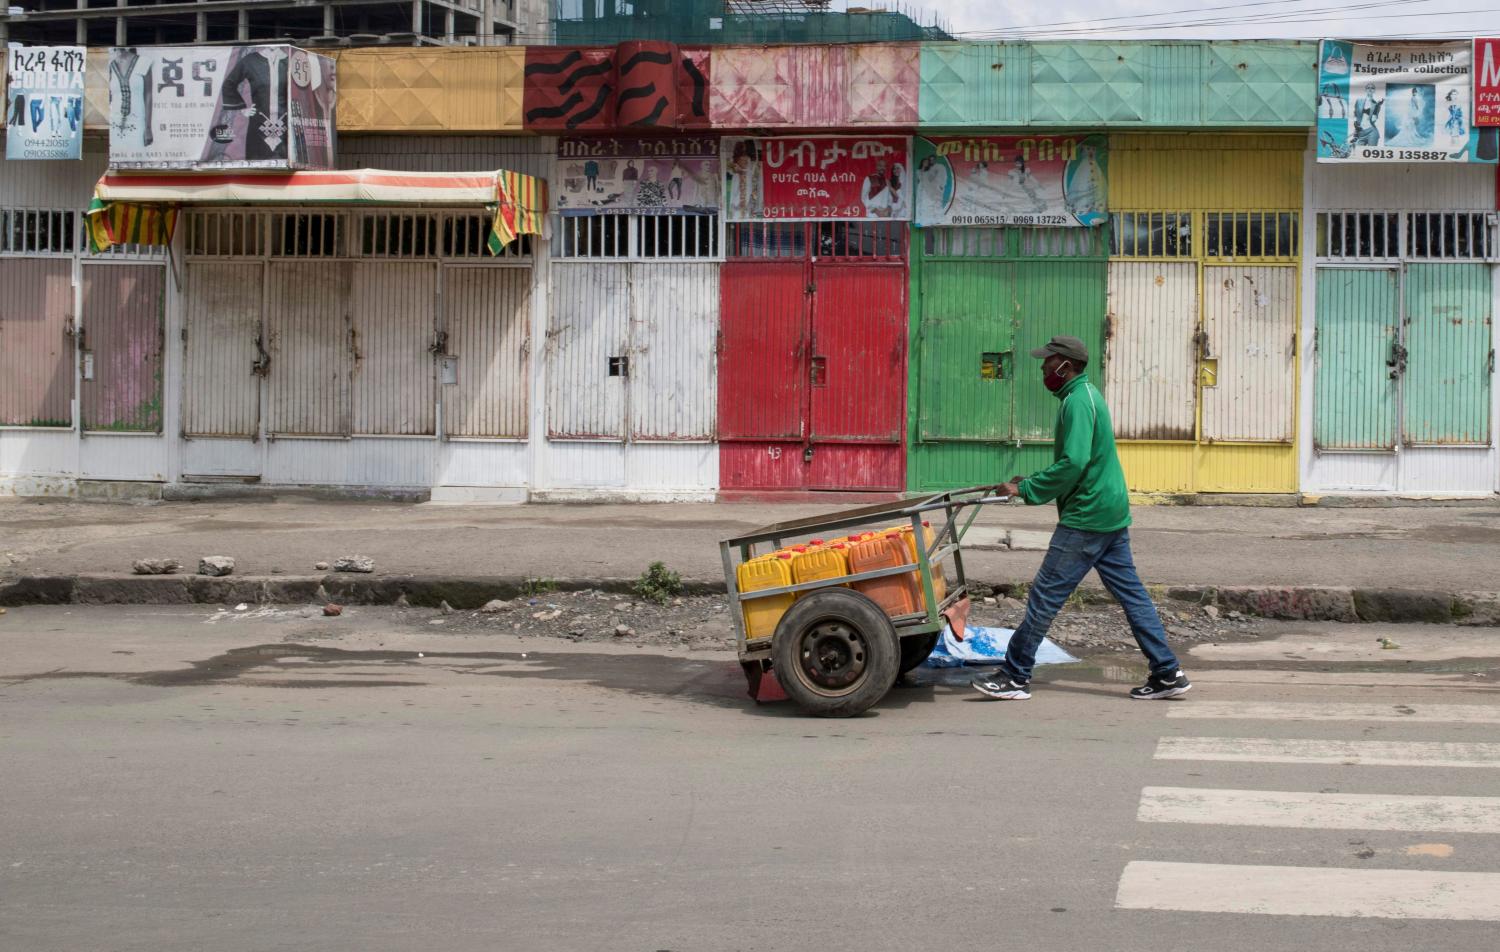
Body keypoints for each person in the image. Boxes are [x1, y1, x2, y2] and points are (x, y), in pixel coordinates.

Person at [971, 336, 1192, 702]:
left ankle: (1014, 676)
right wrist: (1032, 481)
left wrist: (1027, 490)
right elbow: (1078, 462)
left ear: (1065, 366)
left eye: (1048, 362)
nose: (1042, 368)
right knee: (1133, 597)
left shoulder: (1076, 402)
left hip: (1087, 516)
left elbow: (1073, 463)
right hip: (1108, 511)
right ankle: (1167, 672)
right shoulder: (1085, 396)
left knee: (1044, 597)